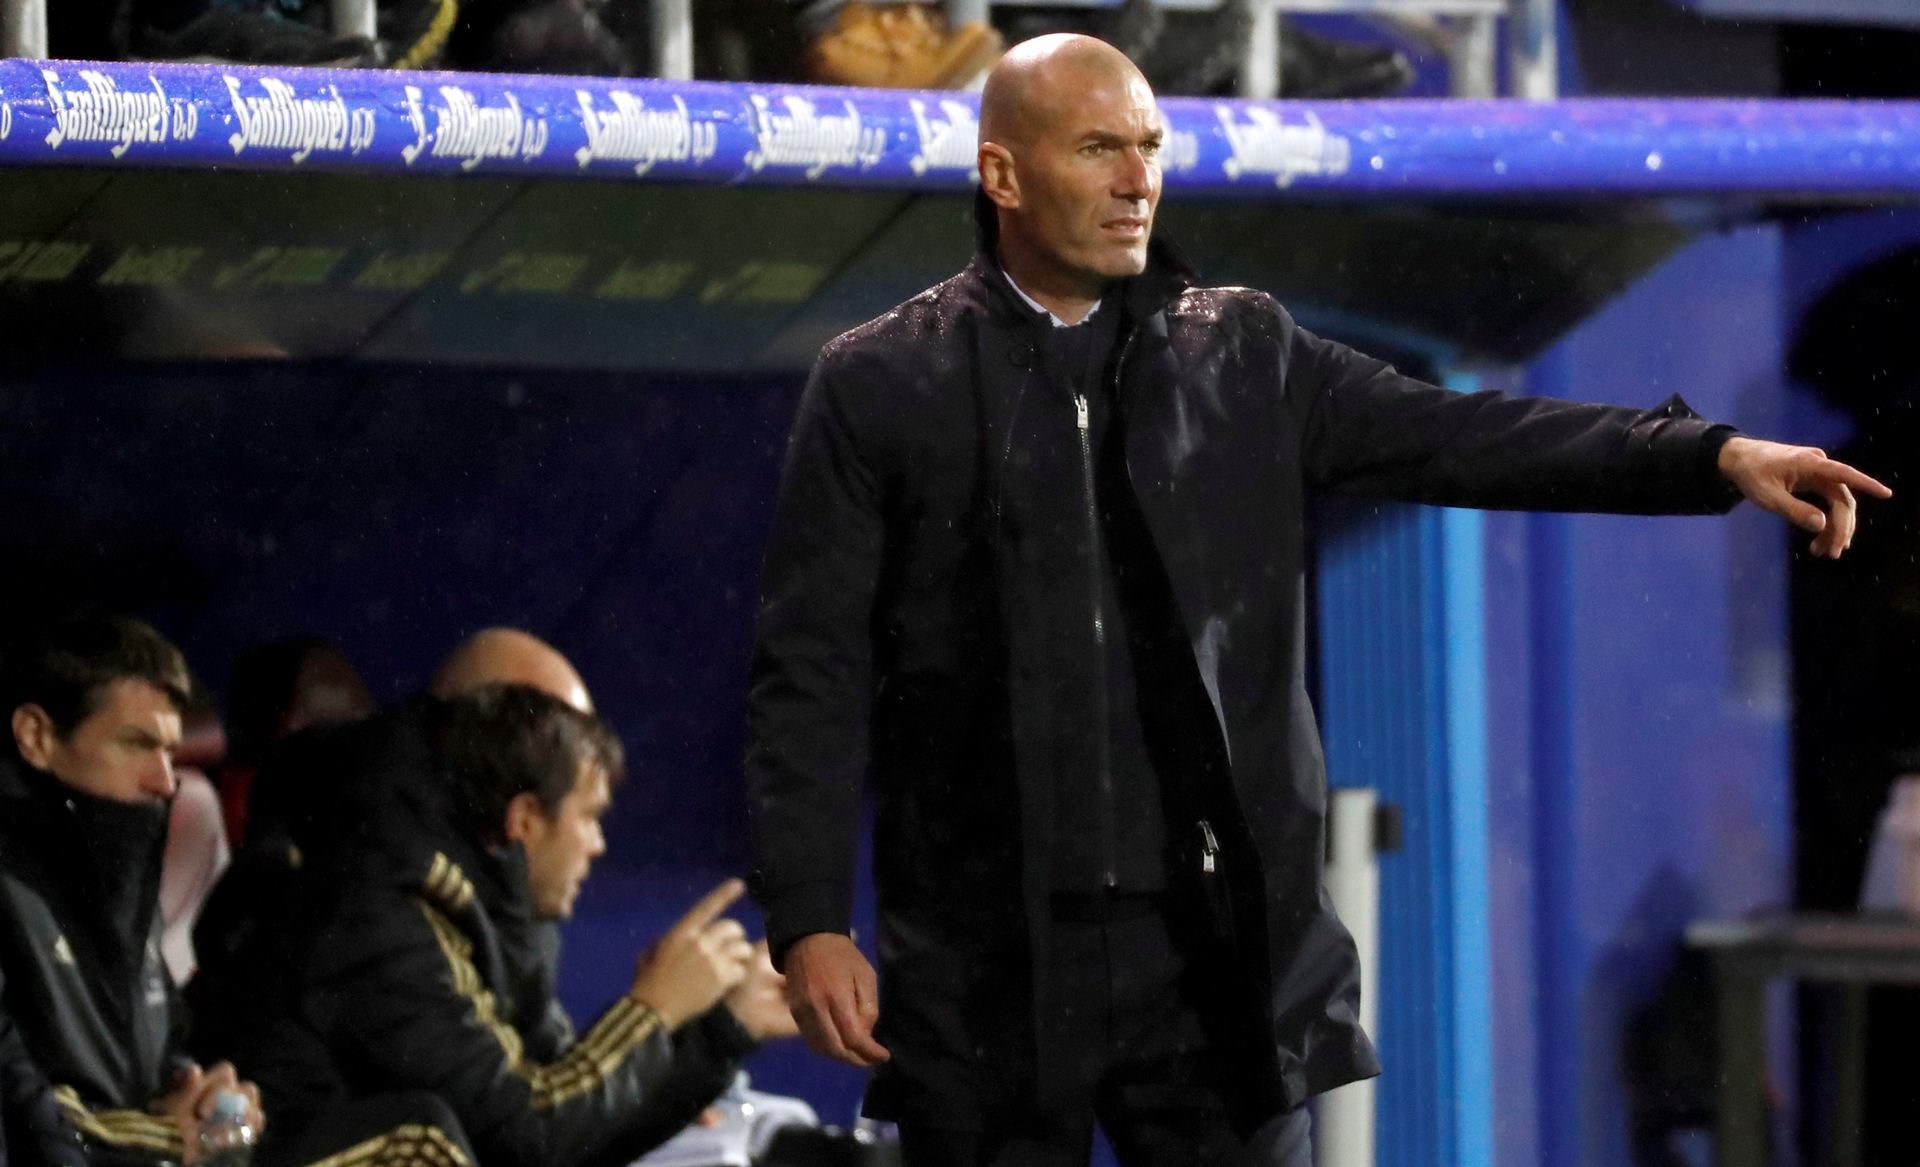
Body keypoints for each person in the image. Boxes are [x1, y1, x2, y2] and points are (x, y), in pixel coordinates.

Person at [742, 33, 1892, 1167]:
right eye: (1101, 148)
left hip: (1208, 966)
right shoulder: (884, 378)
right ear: (1002, 174)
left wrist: (1712, 457)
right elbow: (812, 669)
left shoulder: (1241, 351)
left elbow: (1471, 437)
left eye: (1151, 145)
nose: (1140, 179)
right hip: (987, 965)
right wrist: (806, 921)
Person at [193, 672, 795, 1167]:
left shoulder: (479, 915)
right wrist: (652, 1010)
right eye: (589, 817)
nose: (599, 845)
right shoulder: (377, 911)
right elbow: (524, 1137)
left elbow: (576, 1129)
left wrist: (725, 1029)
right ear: (525, 818)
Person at [0, 611, 472, 1167]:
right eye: (135, 744)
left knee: (418, 1131)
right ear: (37, 737)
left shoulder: (119, 868)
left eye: (172, 754)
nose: (165, 781)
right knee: (419, 1141)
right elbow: (20, 1118)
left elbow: (163, 1050)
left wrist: (212, 1096)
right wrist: (175, 1137)